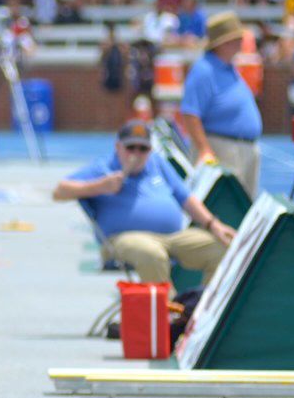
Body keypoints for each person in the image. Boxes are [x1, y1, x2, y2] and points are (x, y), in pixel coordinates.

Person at [53, 121, 235, 287]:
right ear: (118, 147)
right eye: (130, 148)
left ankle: (199, 311)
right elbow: (59, 191)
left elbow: (185, 197)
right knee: (152, 254)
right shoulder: (104, 167)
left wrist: (213, 224)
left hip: (172, 236)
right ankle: (168, 314)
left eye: (143, 149)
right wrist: (99, 186)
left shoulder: (156, 163)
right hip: (123, 238)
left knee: (221, 248)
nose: (136, 154)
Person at [178, 11, 263, 198]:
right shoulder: (203, 70)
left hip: (241, 149)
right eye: (237, 38)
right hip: (223, 149)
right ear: (224, 43)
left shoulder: (227, 67)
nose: (241, 41)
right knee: (227, 207)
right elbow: (190, 112)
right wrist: (204, 149)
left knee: (243, 209)